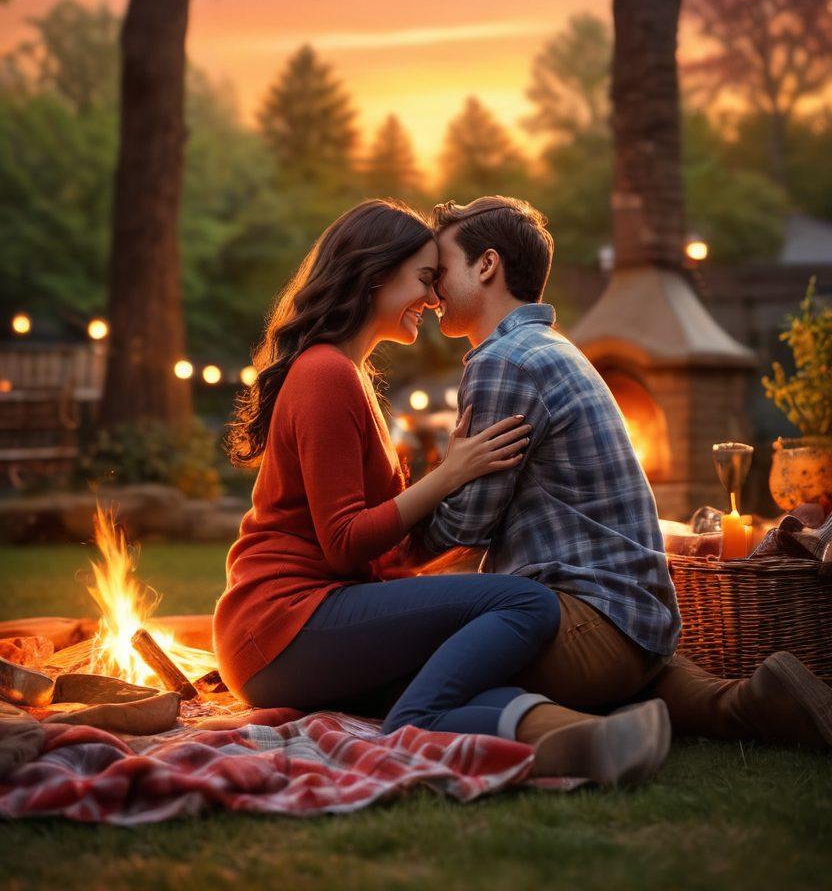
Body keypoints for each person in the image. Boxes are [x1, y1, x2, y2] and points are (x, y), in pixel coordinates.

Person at [213, 199, 672, 783]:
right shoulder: (324, 373)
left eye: (437, 278)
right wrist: (449, 476)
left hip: (313, 623)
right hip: (282, 620)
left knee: (451, 671)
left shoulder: (348, 376)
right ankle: (419, 722)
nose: (432, 299)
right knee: (523, 601)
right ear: (377, 274)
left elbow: (378, 541)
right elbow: (343, 543)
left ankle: (580, 739)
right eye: (424, 279)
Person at [419, 195, 832, 750]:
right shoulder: (557, 349)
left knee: (419, 666)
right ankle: (756, 700)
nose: (431, 290)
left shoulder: (503, 361)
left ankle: (597, 735)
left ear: (486, 265)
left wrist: (420, 495)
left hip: (585, 629)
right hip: (644, 627)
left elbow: (461, 531)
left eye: (440, 271)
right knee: (696, 703)